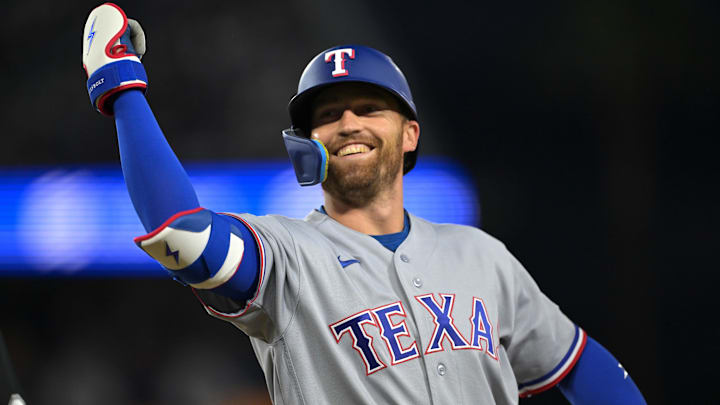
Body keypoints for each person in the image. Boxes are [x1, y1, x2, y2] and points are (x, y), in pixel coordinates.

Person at [82, 3, 647, 404]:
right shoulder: (287, 257)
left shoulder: (483, 257)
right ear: (307, 145)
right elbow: (188, 239)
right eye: (326, 115)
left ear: (410, 134)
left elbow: (577, 364)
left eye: (368, 107)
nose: (347, 122)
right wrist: (121, 89)